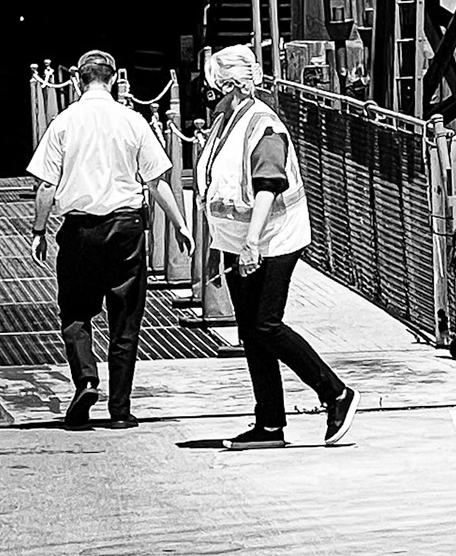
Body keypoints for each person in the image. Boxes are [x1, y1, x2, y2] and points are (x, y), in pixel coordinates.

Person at [196, 44, 357, 449]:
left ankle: (335, 392)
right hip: (239, 242)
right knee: (251, 332)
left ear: (231, 86)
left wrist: (251, 243)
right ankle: (269, 424)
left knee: (267, 324)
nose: (209, 91)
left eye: (215, 84)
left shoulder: (262, 126)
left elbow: (268, 186)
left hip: (271, 240)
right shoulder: (228, 120)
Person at [27, 49, 193, 428]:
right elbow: (157, 181)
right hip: (126, 228)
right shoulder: (133, 121)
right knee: (125, 319)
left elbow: (46, 187)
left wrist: (39, 230)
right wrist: (180, 223)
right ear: (115, 78)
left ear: (77, 80)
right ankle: (120, 409)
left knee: (75, 312)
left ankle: (85, 378)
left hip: (80, 230)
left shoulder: (63, 123)